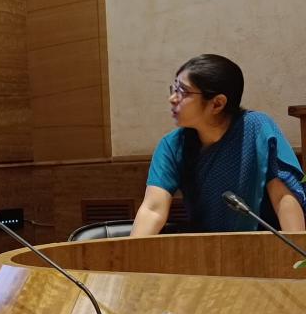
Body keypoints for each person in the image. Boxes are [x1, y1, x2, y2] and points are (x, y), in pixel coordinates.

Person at [131, 54, 306, 236]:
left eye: (183, 91)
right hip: (207, 247)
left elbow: (283, 198)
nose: (173, 98)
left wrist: (296, 249)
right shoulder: (172, 145)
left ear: (217, 104)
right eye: (174, 88)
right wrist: (130, 252)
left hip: (264, 244)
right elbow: (153, 210)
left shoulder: (256, 128)